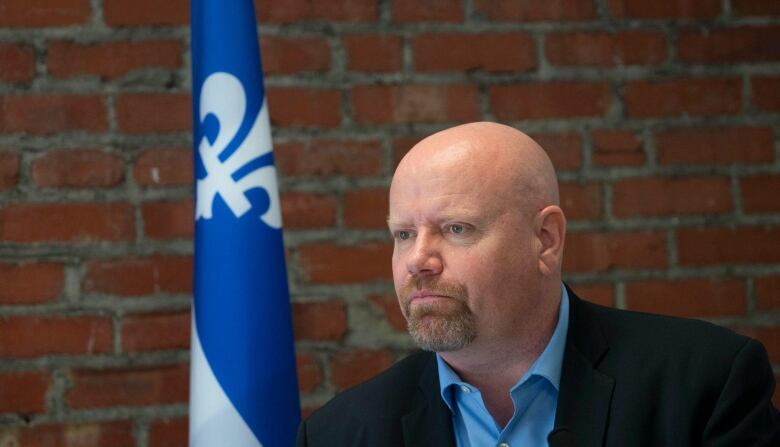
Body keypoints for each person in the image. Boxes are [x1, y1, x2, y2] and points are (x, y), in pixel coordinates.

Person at [296, 122, 779, 446]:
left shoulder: (702, 383)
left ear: (545, 239)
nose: (418, 260)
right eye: (403, 234)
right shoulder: (341, 434)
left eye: (455, 229)